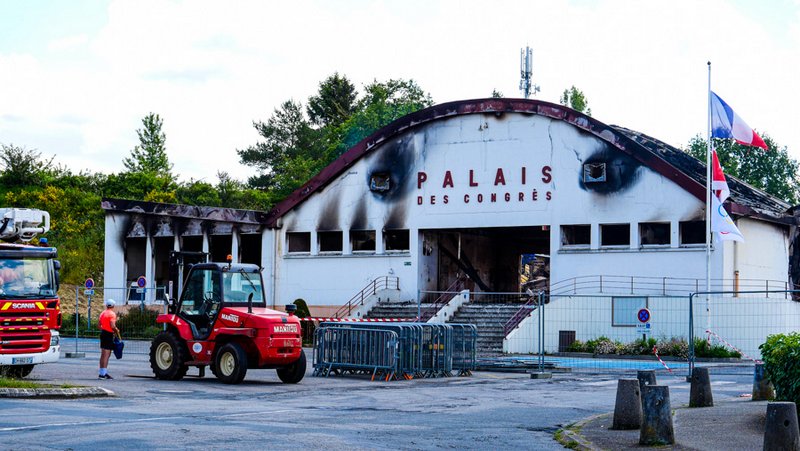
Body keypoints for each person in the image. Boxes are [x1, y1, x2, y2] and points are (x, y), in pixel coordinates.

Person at [98, 299, 120, 379]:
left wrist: (104, 329)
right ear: (113, 306)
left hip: (103, 333)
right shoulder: (112, 314)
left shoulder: (102, 313)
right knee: (107, 355)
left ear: (106, 305)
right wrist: (116, 330)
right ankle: (103, 374)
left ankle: (101, 372)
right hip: (109, 334)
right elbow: (112, 326)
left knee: (103, 354)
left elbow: (99, 325)